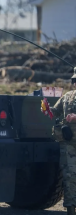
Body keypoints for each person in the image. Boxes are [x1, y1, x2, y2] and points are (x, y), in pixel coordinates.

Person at [48, 67, 76, 215]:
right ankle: (71, 209)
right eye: (74, 81)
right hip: (69, 143)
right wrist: (47, 109)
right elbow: (56, 111)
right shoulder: (67, 97)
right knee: (69, 176)